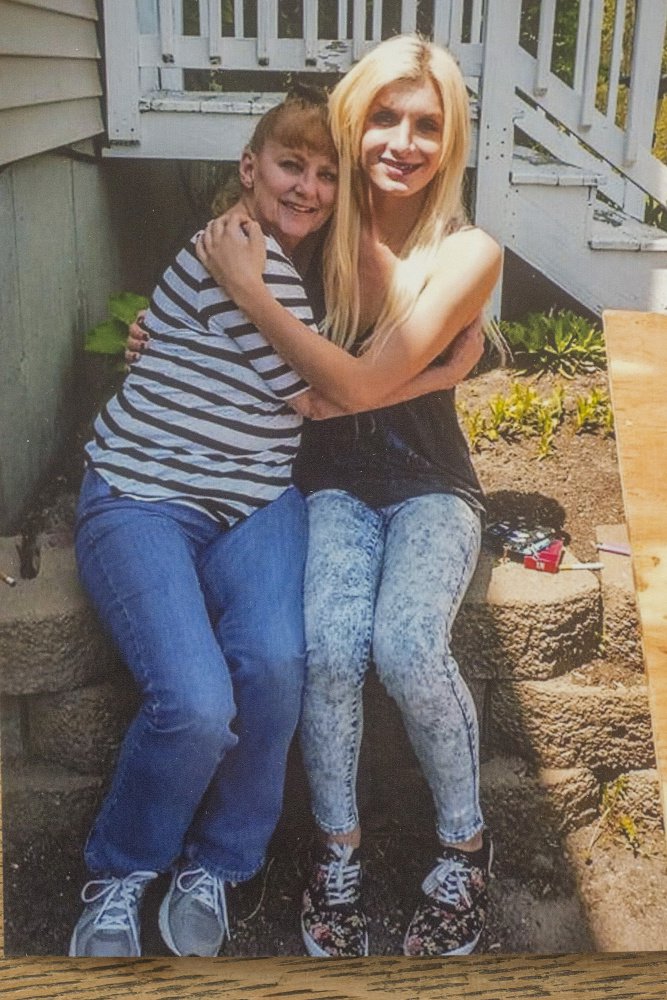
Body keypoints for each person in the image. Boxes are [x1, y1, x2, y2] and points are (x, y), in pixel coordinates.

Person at [73, 88, 482, 961]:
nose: (307, 187)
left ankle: (219, 864)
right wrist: (450, 368)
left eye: (324, 174)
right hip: (147, 491)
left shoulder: (292, 266)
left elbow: (327, 375)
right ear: (248, 169)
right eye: (290, 165)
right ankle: (121, 869)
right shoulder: (236, 250)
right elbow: (328, 397)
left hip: (255, 497)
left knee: (278, 667)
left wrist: (191, 317)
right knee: (192, 703)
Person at [195, 34, 502, 959]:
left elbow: (364, 384)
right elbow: (212, 285)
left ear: (449, 145)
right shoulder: (311, 223)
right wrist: (159, 342)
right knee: (328, 645)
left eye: (426, 124)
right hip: (322, 481)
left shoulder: (469, 251)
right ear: (352, 121)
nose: (402, 140)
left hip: (430, 486)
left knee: (406, 642)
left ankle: (465, 843)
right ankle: (338, 851)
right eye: (384, 116)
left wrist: (267, 310)